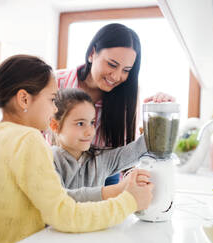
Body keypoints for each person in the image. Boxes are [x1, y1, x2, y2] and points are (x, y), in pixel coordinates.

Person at [0, 54, 154, 243]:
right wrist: (129, 201)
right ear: (24, 99)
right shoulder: (28, 139)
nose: (53, 110)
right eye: (51, 100)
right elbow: (65, 216)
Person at [55, 23, 174, 186]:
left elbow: (127, 154)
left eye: (126, 70)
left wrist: (159, 113)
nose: (117, 76)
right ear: (92, 53)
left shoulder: (125, 96)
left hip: (104, 175)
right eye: (112, 64)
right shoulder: (54, 83)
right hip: (56, 173)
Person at [50, 88, 152, 202]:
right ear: (55, 126)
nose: (90, 132)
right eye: (80, 123)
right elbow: (60, 200)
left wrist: (160, 111)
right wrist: (116, 190)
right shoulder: (47, 160)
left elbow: (140, 149)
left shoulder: (101, 158)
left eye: (92, 122)